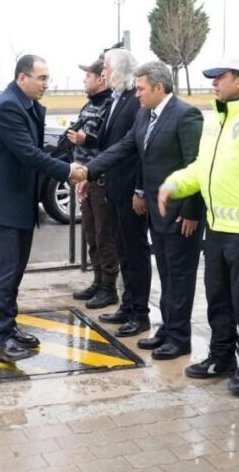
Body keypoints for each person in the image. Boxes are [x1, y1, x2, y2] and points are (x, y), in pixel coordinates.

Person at [158, 48, 239, 396]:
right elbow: (202, 168)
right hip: (217, 227)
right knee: (217, 297)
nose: (214, 83)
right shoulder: (214, 119)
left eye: (220, 77)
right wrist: (174, 183)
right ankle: (221, 355)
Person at [83, 61, 205, 361]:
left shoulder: (186, 115)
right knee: (165, 273)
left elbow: (197, 165)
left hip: (180, 214)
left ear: (159, 88)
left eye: (140, 89)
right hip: (156, 210)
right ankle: (167, 328)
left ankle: (180, 338)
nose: (136, 94)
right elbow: (127, 148)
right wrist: (86, 171)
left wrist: (191, 211)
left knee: (180, 276)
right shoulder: (144, 115)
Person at [0, 55, 84, 363]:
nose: (46, 84)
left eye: (48, 78)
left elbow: (34, 151)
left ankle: (10, 326)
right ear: (22, 78)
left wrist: (62, 154)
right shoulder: (8, 106)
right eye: (42, 78)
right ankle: (3, 338)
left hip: (17, 202)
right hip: (2, 205)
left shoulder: (25, 105)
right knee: (6, 273)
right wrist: (68, 171)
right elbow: (27, 154)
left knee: (15, 271)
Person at [92, 49, 152, 339]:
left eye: (106, 67)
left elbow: (139, 150)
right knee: (123, 253)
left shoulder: (135, 103)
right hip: (115, 189)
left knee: (135, 253)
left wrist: (140, 189)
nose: (103, 72)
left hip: (130, 192)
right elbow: (110, 144)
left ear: (119, 70)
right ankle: (127, 305)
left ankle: (140, 314)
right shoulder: (116, 99)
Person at [68, 59, 119, 310]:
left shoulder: (111, 105)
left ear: (101, 78)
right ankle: (98, 281)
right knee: (90, 233)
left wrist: (85, 139)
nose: (84, 80)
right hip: (86, 179)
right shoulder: (89, 105)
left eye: (87, 75)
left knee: (104, 234)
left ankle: (109, 287)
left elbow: (111, 143)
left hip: (101, 179)